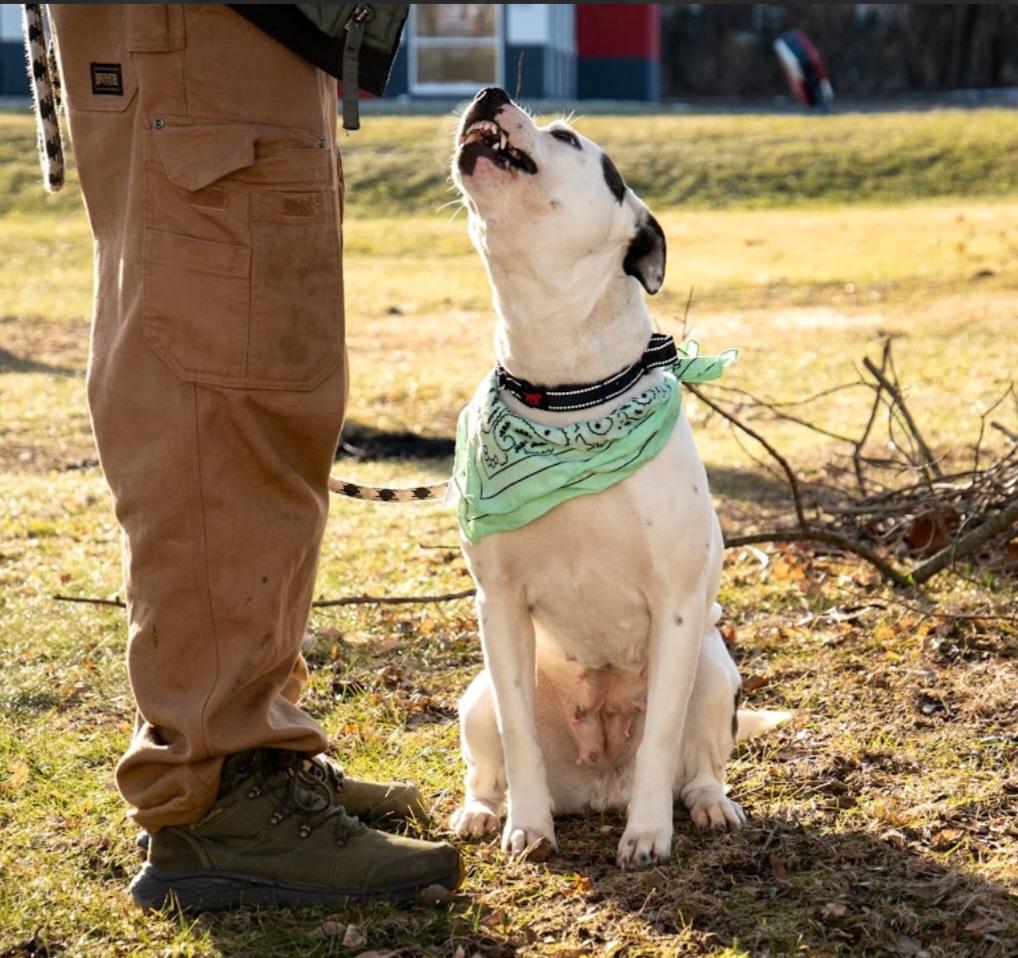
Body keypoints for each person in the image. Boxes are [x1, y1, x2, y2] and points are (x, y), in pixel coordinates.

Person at [27, 4, 461, 911]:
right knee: (219, 402)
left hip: (228, 41)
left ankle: (252, 745)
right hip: (203, 35)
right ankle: (218, 790)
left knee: (261, 397)